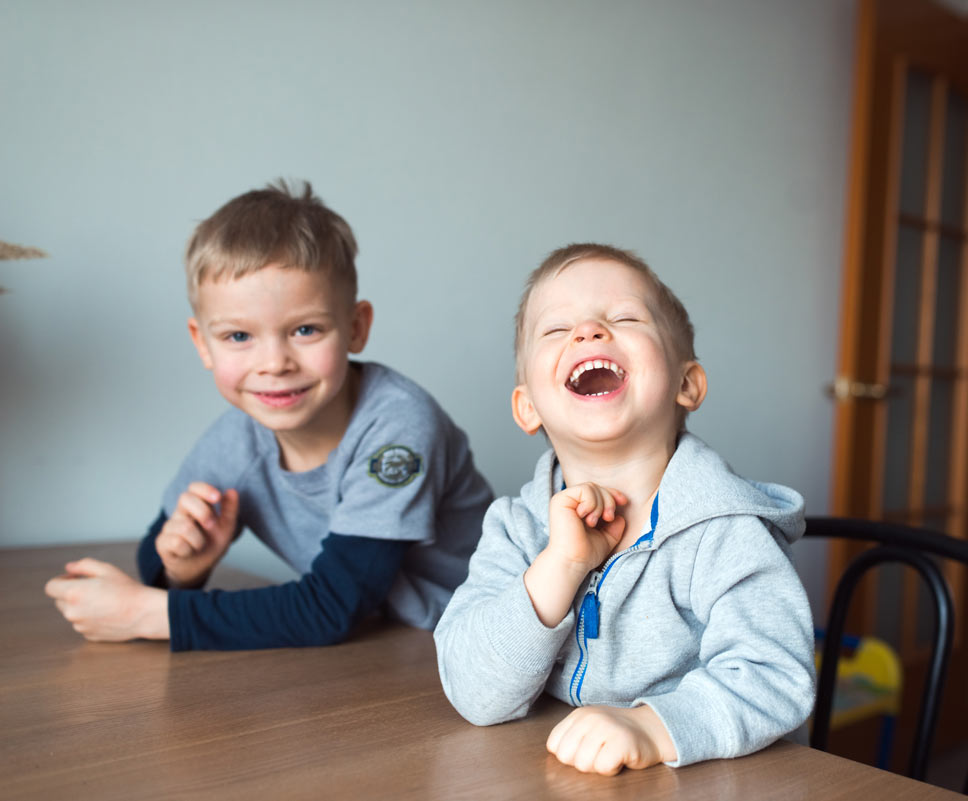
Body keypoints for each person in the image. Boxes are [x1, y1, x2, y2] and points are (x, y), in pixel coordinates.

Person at [44, 180, 492, 650]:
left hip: (478, 644)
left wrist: (146, 614)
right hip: (390, 646)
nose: (274, 363)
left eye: (305, 329)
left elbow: (331, 607)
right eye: (239, 336)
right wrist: (182, 568)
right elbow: (156, 550)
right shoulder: (237, 438)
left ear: (356, 328)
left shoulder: (398, 427)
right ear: (202, 343)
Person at [433, 243, 814, 775]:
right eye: (555, 329)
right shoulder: (516, 528)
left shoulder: (726, 530)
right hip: (559, 774)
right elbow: (474, 692)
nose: (588, 330)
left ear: (687, 384)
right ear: (527, 407)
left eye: (625, 317)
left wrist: (650, 727)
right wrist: (560, 566)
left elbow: (775, 677)